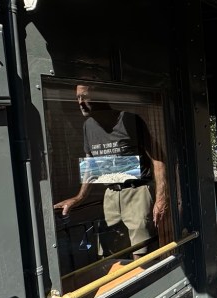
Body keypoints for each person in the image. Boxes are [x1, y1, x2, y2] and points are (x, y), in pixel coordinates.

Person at [54, 84, 168, 258]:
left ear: (99, 96)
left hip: (137, 192)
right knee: (109, 253)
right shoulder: (88, 126)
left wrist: (161, 198)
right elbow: (91, 165)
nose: (80, 102)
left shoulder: (129, 120)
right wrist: (79, 197)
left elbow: (158, 159)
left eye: (85, 96)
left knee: (142, 253)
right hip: (110, 194)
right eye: (77, 98)